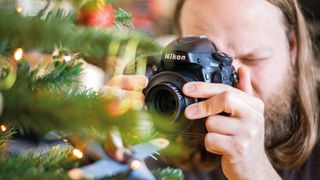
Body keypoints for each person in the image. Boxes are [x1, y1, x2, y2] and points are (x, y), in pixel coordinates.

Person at [102, 0, 320, 179]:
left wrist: (255, 172)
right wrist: (105, 154)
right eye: (205, 62)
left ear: (293, 47)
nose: (228, 88)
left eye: (251, 58)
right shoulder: (167, 111)